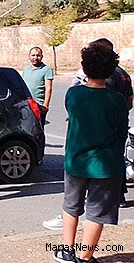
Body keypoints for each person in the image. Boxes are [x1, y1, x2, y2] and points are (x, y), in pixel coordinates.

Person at [43, 38, 133, 230]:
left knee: (71, 207)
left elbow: (73, 115)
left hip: (77, 160)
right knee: (96, 213)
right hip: (105, 163)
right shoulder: (116, 99)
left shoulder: (73, 94)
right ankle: (86, 255)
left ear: (84, 67)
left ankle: (68, 251)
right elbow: (122, 129)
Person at [22, 46, 53, 127]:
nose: (35, 57)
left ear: (42, 57)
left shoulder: (46, 69)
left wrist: (45, 105)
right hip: (27, 105)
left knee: (38, 130)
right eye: (33, 55)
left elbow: (48, 88)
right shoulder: (26, 69)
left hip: (38, 105)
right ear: (29, 56)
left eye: (38, 55)